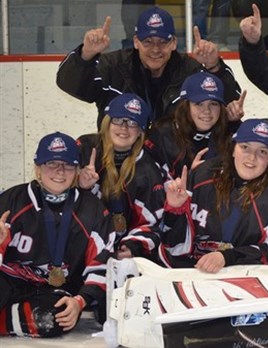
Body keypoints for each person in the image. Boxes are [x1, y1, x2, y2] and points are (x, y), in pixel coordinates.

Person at [0, 132, 114, 337]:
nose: (60, 171)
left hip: (54, 291)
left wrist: (80, 302)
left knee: (58, 316)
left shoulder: (93, 210)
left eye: (68, 165)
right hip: (8, 282)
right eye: (51, 163)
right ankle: (18, 318)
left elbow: (102, 264)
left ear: (77, 170)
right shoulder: (10, 201)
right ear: (37, 168)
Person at [57, 6, 241, 129]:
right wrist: (86, 55)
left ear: (174, 43)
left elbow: (230, 102)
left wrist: (213, 65)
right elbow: (69, 84)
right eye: (148, 42)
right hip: (120, 164)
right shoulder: (112, 66)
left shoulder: (191, 70)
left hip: (175, 165)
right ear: (136, 42)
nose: (155, 49)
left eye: (163, 42)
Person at [161, 119, 268, 272]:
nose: (251, 157)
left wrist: (227, 257)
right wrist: (175, 209)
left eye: (262, 151)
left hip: (246, 281)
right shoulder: (203, 174)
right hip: (190, 272)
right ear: (233, 150)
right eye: (245, 147)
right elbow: (174, 249)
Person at [77, 93, 165, 259]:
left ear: (140, 131)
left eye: (132, 122)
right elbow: (54, 196)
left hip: (122, 253)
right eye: (118, 119)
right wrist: (79, 185)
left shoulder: (149, 170)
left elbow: (152, 222)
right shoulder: (85, 148)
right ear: (107, 122)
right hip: (81, 247)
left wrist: (133, 246)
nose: (124, 128)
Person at [145, 71, 239, 179]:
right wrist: (191, 180)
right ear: (185, 106)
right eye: (199, 104)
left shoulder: (231, 133)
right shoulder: (161, 135)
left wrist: (235, 123)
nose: (207, 111)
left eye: (214, 104)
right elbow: (147, 184)